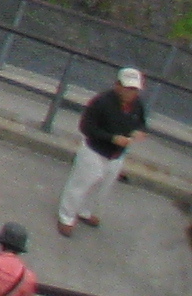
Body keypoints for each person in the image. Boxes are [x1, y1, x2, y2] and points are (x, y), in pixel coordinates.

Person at [60, 69, 151, 236]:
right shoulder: (101, 102)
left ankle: (86, 211)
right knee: (80, 185)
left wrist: (140, 132)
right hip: (94, 150)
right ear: (117, 86)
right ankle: (66, 216)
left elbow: (142, 124)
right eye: (128, 88)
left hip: (117, 155)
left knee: (103, 186)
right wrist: (112, 138)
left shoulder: (137, 105)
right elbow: (86, 127)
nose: (131, 93)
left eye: (135, 89)